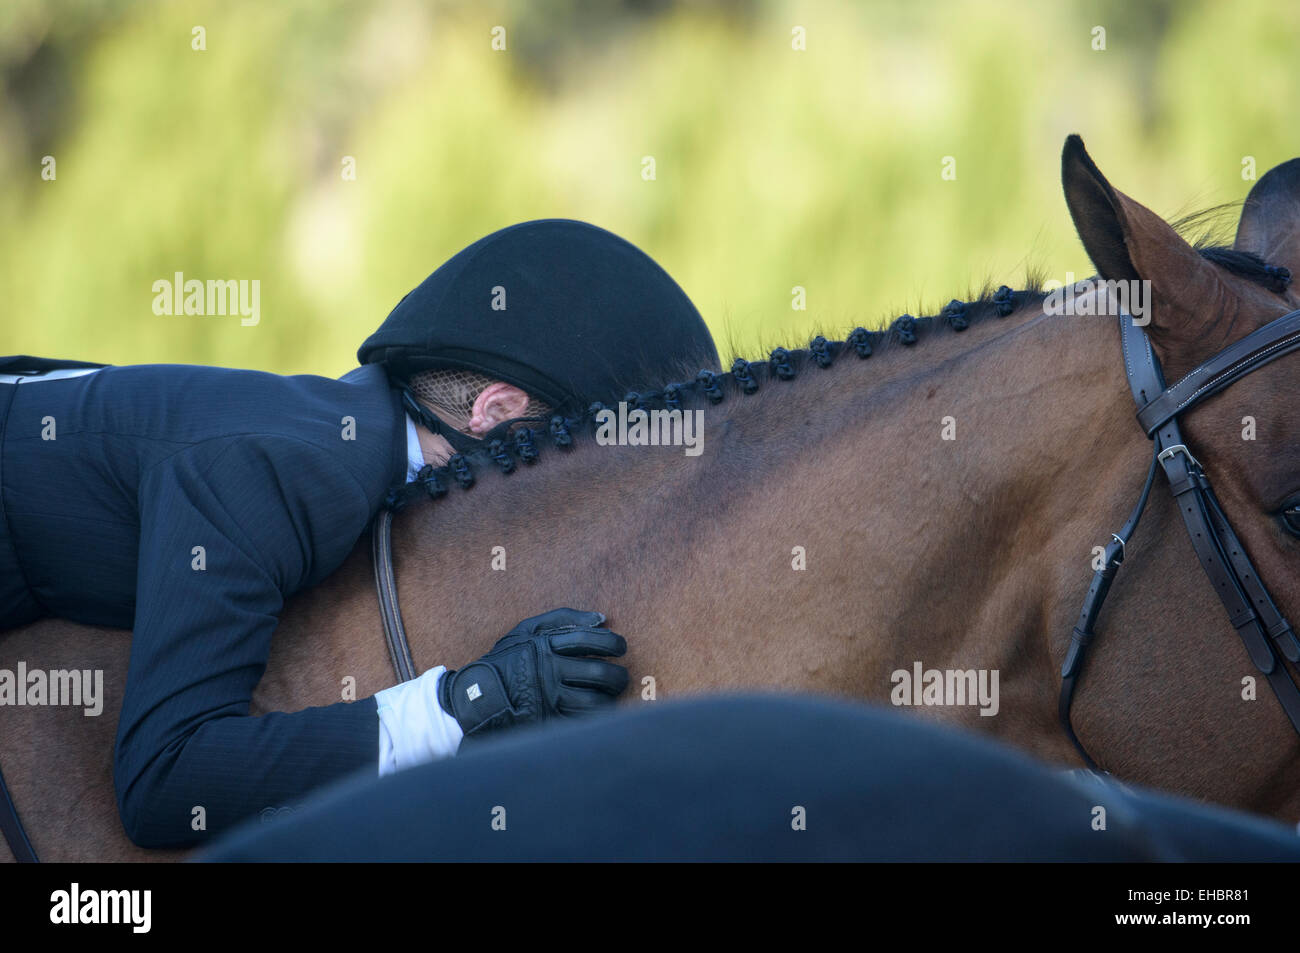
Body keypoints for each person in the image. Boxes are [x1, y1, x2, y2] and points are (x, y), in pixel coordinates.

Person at [0, 219, 719, 849]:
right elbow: (163, 780)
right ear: (495, 410)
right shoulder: (292, 468)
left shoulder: (336, 437)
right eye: (572, 470)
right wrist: (463, 705)